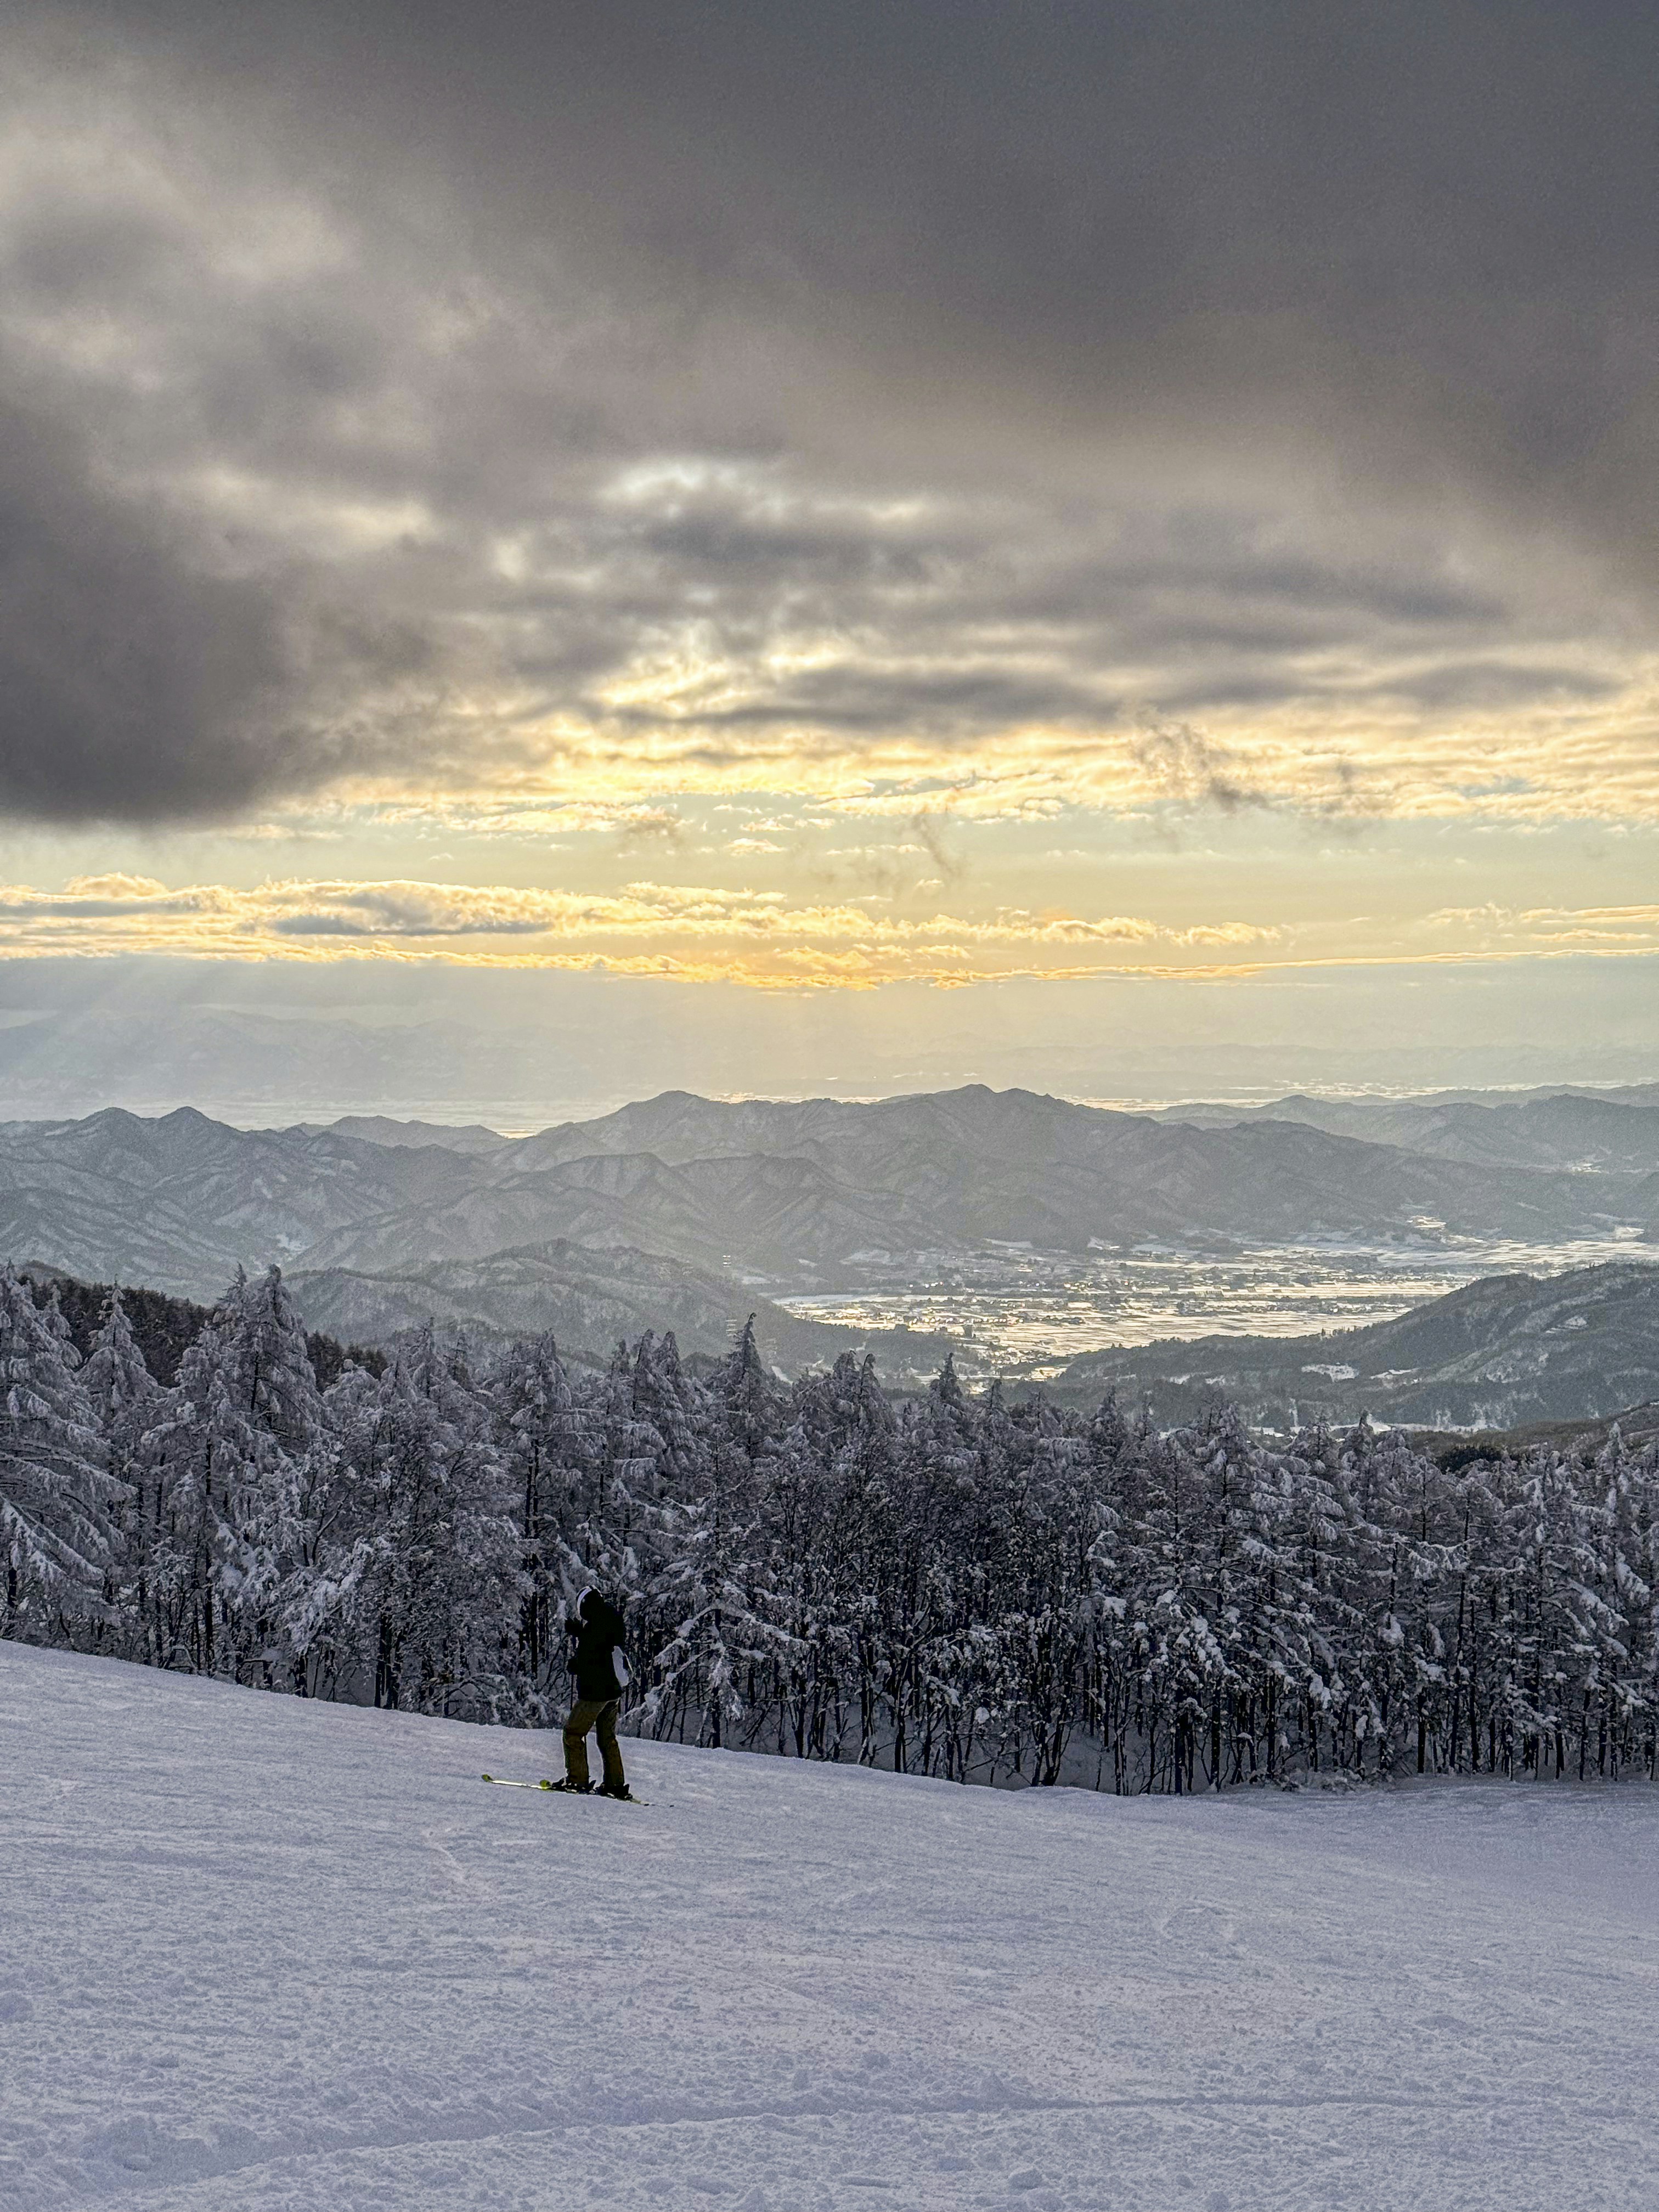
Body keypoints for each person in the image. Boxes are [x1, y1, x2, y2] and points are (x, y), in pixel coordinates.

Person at [552, 1587, 634, 1798]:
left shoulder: (593, 1629)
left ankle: (577, 1781)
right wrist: (580, 1632)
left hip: (594, 1694)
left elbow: (589, 1658)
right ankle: (615, 1785)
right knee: (608, 1738)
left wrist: (574, 1665)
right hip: (613, 1693)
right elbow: (602, 1642)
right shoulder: (610, 1619)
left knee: (573, 1733)